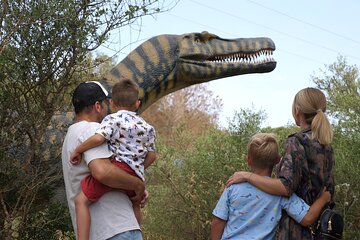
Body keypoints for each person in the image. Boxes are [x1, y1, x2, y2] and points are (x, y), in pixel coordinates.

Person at [226, 87, 335, 239]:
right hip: (322, 229)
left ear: (297, 111)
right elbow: (328, 192)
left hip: (297, 230)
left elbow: (286, 187)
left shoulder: (296, 142)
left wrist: (247, 176)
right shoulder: (326, 146)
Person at [70, 79, 156, 240]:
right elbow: (152, 155)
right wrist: (136, 174)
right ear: (137, 103)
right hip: (125, 224)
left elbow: (98, 142)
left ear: (112, 103)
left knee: (81, 201)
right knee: (136, 202)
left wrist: (78, 150)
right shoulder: (148, 127)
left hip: (111, 231)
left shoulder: (110, 121)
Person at [211, 133, 330, 240]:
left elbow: (218, 221)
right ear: (278, 160)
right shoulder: (279, 192)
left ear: (248, 160)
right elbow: (308, 218)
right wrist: (323, 199)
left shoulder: (233, 186)